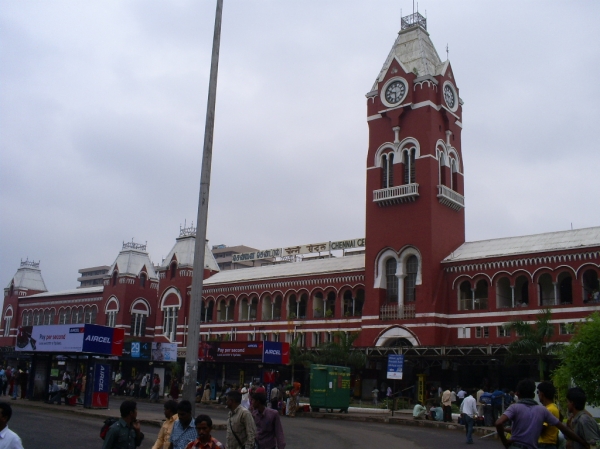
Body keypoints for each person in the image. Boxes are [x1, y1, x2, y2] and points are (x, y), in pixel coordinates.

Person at [495, 379, 589, 449]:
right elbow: (563, 429)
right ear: (533, 395)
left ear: (518, 394)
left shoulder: (514, 407)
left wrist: (505, 442)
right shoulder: (542, 410)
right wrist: (583, 442)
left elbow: (498, 423)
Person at [537, 381, 560, 449]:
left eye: (538, 392)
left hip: (546, 444)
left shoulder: (549, 410)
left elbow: (542, 427)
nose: (538, 395)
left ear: (542, 394)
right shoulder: (553, 407)